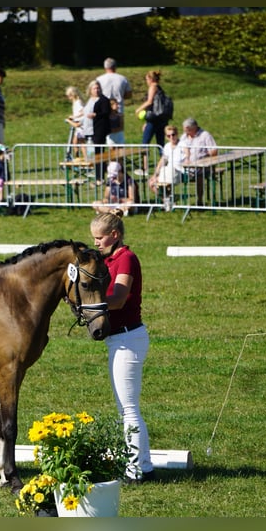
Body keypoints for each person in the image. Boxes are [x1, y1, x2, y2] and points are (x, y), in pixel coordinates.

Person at [89, 209, 154, 485]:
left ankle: (134, 471)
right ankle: (145, 466)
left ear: (114, 235)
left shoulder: (125, 258)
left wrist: (91, 299)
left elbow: (118, 298)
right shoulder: (107, 258)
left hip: (128, 338)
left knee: (128, 409)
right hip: (119, 338)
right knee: (126, 408)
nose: (96, 243)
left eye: (100, 238)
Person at [179, 117, 218, 206]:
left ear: (194, 127)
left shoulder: (205, 135)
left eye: (188, 130)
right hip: (184, 165)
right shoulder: (184, 137)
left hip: (202, 166)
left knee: (199, 174)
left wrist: (205, 157)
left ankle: (199, 200)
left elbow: (214, 150)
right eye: (185, 130)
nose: (186, 132)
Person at [148, 124, 186, 211]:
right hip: (168, 171)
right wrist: (155, 174)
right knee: (151, 183)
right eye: (169, 135)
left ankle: (169, 201)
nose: (171, 137)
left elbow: (188, 156)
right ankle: (167, 201)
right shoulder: (167, 146)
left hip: (180, 170)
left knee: (165, 180)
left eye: (173, 134)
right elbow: (163, 160)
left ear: (177, 134)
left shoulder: (183, 144)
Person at [95, 57, 132, 140]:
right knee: (118, 135)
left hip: (103, 111)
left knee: (104, 135)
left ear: (105, 67)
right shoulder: (123, 79)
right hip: (118, 110)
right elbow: (129, 95)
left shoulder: (99, 79)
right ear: (115, 67)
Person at [85, 80, 111, 183]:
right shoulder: (90, 100)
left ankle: (99, 177)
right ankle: (95, 174)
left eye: (98, 88)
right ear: (90, 90)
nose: (97, 90)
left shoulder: (103, 100)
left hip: (99, 130)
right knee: (92, 153)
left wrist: (96, 115)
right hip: (88, 129)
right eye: (94, 88)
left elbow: (106, 112)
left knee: (98, 153)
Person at [134, 70, 167, 148]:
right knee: (160, 143)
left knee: (145, 143)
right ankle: (165, 159)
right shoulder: (159, 88)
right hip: (161, 118)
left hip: (154, 120)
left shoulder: (153, 87)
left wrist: (138, 109)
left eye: (147, 79)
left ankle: (144, 160)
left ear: (151, 79)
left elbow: (149, 102)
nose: (146, 82)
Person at [65, 86, 86, 159]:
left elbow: (83, 112)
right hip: (78, 123)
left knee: (81, 143)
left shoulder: (78, 102)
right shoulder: (75, 103)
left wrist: (74, 117)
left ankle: (85, 158)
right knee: (75, 142)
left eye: (69, 95)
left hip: (81, 124)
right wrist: (73, 116)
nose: (68, 97)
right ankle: (78, 157)